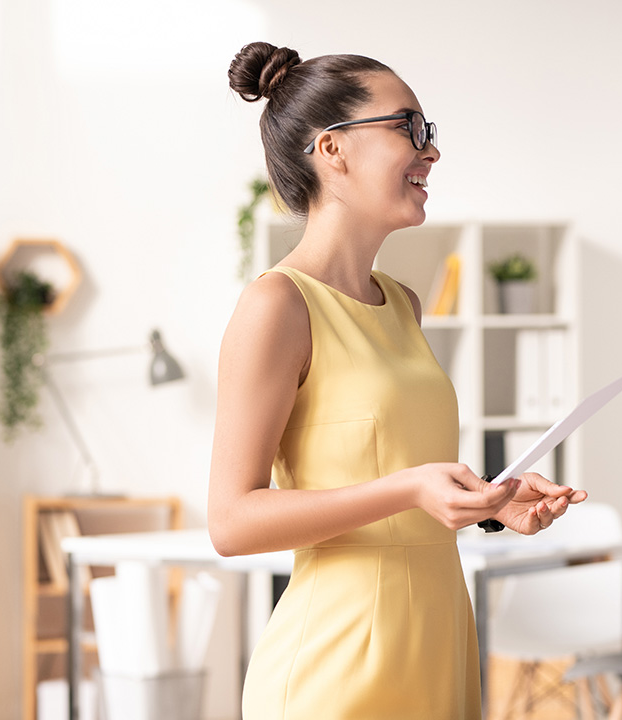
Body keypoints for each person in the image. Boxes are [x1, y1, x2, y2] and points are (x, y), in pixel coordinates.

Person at [209, 43, 587, 719]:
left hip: (436, 642)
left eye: (429, 132)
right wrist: (409, 487)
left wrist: (489, 503)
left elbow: (398, 481)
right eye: (408, 127)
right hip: (337, 663)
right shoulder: (277, 305)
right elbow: (232, 521)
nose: (431, 150)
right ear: (333, 150)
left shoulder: (404, 303)